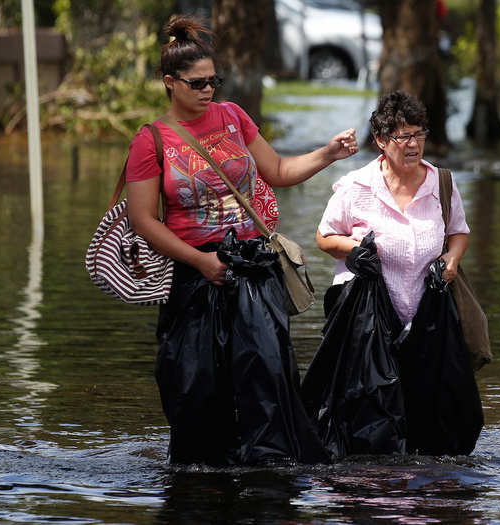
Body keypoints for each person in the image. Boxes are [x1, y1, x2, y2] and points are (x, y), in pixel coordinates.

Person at [125, 15, 358, 466]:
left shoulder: (233, 117)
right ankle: (203, 477)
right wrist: (200, 262)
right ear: (170, 83)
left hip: (253, 266)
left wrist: (329, 153)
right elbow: (143, 222)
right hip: (196, 275)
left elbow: (278, 172)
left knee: (268, 373)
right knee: (196, 381)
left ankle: (269, 473)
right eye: (197, 83)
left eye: (214, 80)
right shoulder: (151, 140)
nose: (208, 89)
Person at [310, 90, 483, 456]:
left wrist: (451, 261)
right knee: (369, 415)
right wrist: (354, 251)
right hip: (369, 318)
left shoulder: (442, 183)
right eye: (403, 136)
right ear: (381, 141)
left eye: (419, 134)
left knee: (434, 412)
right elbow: (324, 237)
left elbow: (459, 232)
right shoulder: (356, 186)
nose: (413, 144)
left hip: (425, 313)